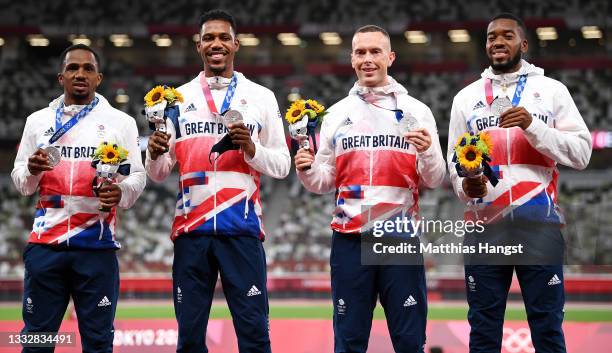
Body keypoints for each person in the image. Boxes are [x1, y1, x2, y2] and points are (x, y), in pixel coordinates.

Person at [145, 9, 290, 353]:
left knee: (255, 337)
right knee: (190, 340)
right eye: (209, 38)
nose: (216, 44)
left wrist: (252, 148)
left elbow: (283, 165)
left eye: (224, 37)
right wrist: (153, 152)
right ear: (198, 46)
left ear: (236, 45)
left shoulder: (261, 97)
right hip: (191, 232)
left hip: (241, 230)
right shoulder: (173, 100)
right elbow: (159, 172)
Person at [295, 25, 446, 353]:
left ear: (390, 57)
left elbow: (434, 178)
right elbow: (323, 181)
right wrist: (306, 169)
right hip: (350, 240)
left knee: (409, 342)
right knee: (348, 344)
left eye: (375, 51)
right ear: (351, 59)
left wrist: (429, 151)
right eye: (360, 52)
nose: (367, 59)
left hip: (399, 239)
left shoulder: (418, 111)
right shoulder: (335, 114)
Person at [447, 13, 592, 353]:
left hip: (539, 223)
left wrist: (533, 126)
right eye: (491, 37)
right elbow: (455, 165)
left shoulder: (552, 91)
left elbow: (582, 153)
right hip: (486, 225)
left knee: (547, 327)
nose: (497, 41)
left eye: (506, 36)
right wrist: (465, 185)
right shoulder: (465, 99)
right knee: (483, 328)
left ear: (523, 44)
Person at [11, 44, 146, 352]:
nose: (80, 74)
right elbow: (22, 182)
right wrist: (31, 170)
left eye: (87, 69)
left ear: (99, 78)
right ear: (61, 77)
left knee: (98, 344)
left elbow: (137, 176)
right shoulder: (37, 121)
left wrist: (121, 191)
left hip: (96, 247)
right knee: (37, 342)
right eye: (73, 68)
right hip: (46, 247)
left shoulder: (120, 122)